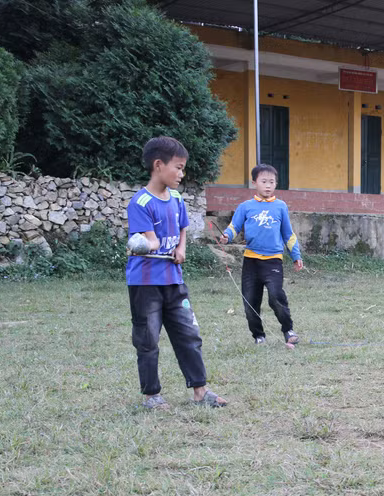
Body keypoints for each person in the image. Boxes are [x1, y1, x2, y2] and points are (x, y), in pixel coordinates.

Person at [126, 136, 227, 410]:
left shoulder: (177, 199)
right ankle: (152, 395)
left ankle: (200, 391)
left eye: (183, 168)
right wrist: (144, 244)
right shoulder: (140, 202)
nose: (182, 174)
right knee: (147, 339)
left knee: (188, 335)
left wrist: (182, 248)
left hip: (174, 279)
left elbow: (182, 227)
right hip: (145, 284)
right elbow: (153, 242)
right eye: (178, 167)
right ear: (159, 165)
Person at [219, 164, 304, 345]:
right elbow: (234, 226)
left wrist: (296, 255)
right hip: (251, 261)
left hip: (273, 261)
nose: (268, 185)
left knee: (276, 296)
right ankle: (259, 336)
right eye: (264, 181)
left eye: (272, 182)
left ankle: (288, 330)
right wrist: (227, 236)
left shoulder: (281, 207)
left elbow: (288, 235)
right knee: (250, 301)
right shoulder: (245, 207)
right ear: (254, 183)